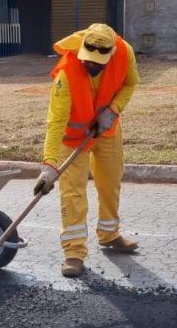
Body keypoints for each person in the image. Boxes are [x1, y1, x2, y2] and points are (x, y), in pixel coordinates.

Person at [33, 23, 140, 277]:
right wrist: (49, 166)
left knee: (110, 182)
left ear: (111, 54)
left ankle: (109, 233)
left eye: (97, 63)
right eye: (87, 61)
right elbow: (55, 121)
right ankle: (73, 252)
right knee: (72, 193)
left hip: (106, 129)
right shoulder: (66, 73)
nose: (90, 66)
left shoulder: (125, 53)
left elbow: (130, 84)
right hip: (72, 139)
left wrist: (113, 111)